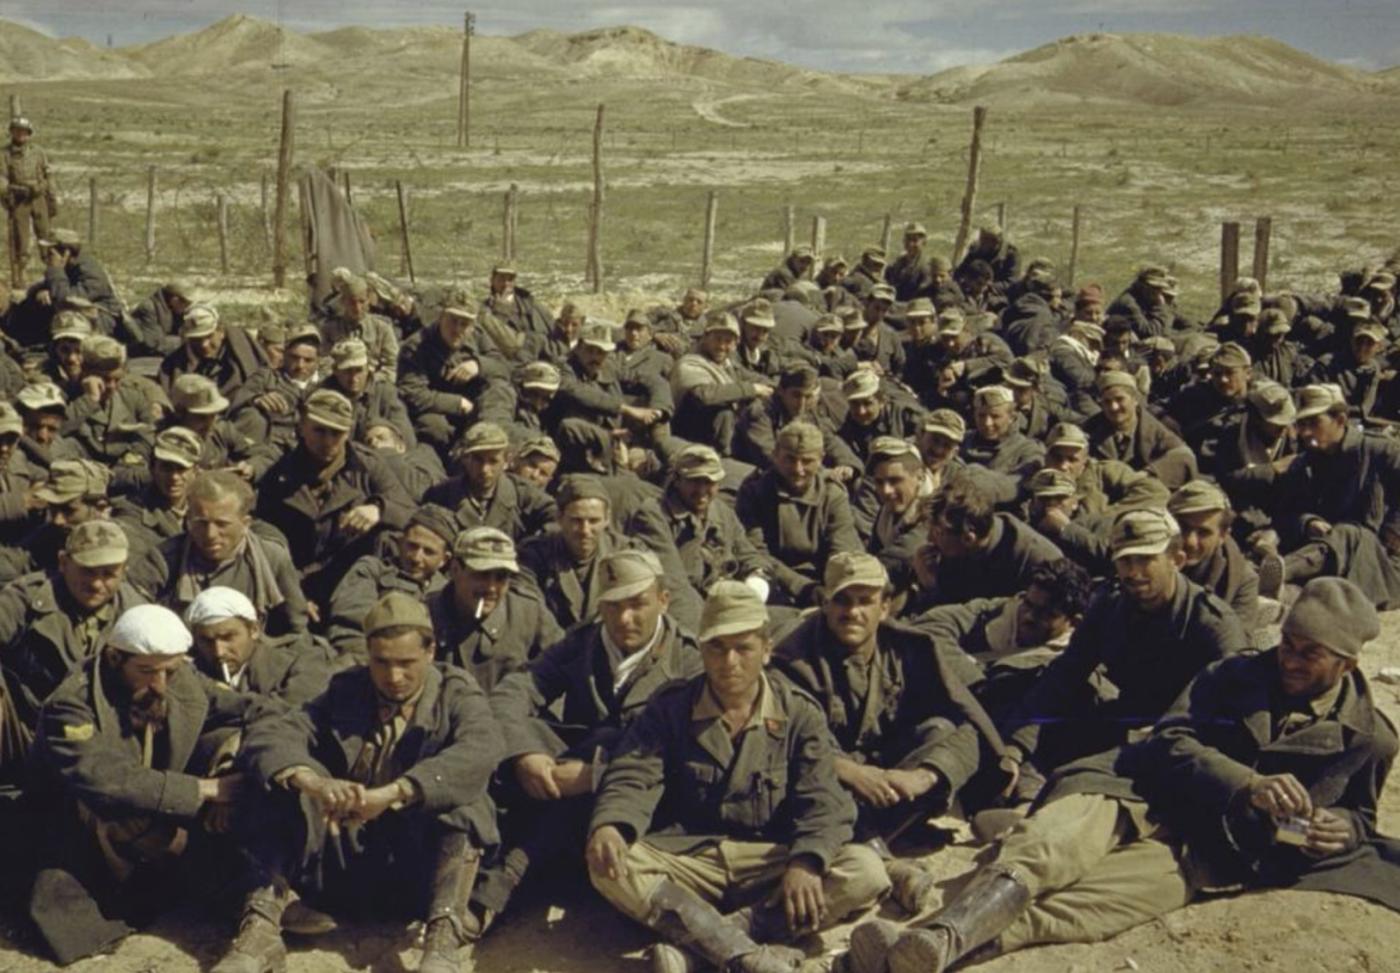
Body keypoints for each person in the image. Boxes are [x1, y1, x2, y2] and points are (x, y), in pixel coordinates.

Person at [849, 577, 1399, 973]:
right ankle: (944, 931)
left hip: (1206, 850)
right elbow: (1172, 739)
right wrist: (1246, 784)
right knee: (1048, 848)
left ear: (1346, 666)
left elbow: (1360, 815)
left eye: (1310, 655)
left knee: (1090, 906)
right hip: (1137, 788)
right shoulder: (1232, 676)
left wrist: (1343, 830)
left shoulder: (1371, 737)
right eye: (1288, 646)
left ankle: (931, 950)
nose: (1291, 662)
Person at [585, 581, 890, 973]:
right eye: (717, 647)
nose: (730, 661)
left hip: (768, 858)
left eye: (743, 648)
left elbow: (823, 799)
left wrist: (807, 860)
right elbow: (634, 775)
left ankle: (699, 952)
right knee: (609, 864)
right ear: (701, 649)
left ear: (766, 651)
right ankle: (749, 959)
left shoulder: (799, 713)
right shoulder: (671, 707)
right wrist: (611, 825)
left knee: (865, 871)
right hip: (692, 857)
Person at [216, 593, 503, 973]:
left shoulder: (456, 692)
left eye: (406, 663)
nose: (394, 677)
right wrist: (312, 781)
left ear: (431, 651)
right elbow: (275, 732)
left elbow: (483, 747)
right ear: (367, 653)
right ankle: (260, 932)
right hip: (343, 858)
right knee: (276, 784)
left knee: (467, 800)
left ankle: (442, 942)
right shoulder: (346, 688)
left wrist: (396, 792)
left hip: (417, 867)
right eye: (381, 662)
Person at [480, 549, 704, 930]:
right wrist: (526, 754)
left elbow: (683, 755)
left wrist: (596, 775)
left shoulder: (688, 660)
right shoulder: (584, 642)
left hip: (646, 797)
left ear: (663, 601)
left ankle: (504, 881)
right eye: (613, 606)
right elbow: (516, 690)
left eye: (638, 605)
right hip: (568, 781)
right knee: (518, 736)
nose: (624, 619)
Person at [27, 604, 254, 965]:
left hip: (156, 806)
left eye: (170, 670)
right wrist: (205, 790)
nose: (160, 684)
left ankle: (245, 892)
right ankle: (224, 892)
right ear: (116, 658)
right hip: (77, 828)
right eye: (146, 671)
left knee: (230, 739)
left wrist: (230, 764)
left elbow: (252, 709)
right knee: (119, 809)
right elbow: (104, 778)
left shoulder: (179, 678)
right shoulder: (71, 704)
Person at [1000, 509, 1247, 778]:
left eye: (1146, 559)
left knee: (1078, 777)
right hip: (1125, 722)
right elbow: (1065, 674)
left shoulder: (1213, 624)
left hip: (1183, 745)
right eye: (1125, 560)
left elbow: (1233, 714)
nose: (1133, 572)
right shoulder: (1110, 604)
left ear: (1176, 560)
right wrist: (1015, 746)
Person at [773, 554, 1004, 842]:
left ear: (884, 608)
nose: (853, 612)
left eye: (865, 601)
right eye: (842, 600)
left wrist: (923, 776)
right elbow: (789, 743)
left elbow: (968, 724)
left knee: (941, 730)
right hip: (825, 779)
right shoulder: (791, 659)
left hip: (887, 775)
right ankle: (871, 844)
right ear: (825, 604)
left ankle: (875, 835)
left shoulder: (910, 648)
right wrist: (852, 772)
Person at [0, 519, 146, 778]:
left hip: (103, 736)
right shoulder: (27, 598)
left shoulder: (140, 614)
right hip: (30, 729)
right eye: (88, 571)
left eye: (109, 573)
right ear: (63, 563)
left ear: (124, 570)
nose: (97, 584)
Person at [1245, 383, 1400, 607]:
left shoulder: (1380, 451)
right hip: (1327, 559)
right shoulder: (1304, 463)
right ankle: (1275, 592)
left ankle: (1269, 574)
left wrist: (1392, 535)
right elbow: (1286, 512)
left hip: (1380, 562)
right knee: (1316, 592)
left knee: (1349, 533)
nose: (1306, 433)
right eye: (1302, 424)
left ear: (1340, 420)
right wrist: (1308, 522)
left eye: (1315, 423)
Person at [255, 389, 414, 608]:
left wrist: (378, 508)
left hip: (350, 582)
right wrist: (294, 594)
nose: (328, 441)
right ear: (302, 427)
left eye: (336, 433)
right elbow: (265, 541)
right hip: (294, 584)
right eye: (319, 431)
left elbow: (409, 512)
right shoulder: (280, 475)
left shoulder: (367, 466)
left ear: (348, 432)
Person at [134, 470, 308, 637]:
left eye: (222, 524)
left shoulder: (271, 557)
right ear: (188, 521)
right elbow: (135, 617)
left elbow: (296, 630)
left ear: (245, 523)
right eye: (201, 523)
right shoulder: (164, 559)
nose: (210, 534)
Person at [734, 421, 862, 607]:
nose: (798, 470)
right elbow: (755, 552)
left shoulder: (832, 494)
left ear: (820, 459)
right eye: (790, 459)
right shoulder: (755, 491)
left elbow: (842, 549)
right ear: (776, 456)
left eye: (807, 461)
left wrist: (830, 587)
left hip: (824, 580)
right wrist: (803, 587)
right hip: (775, 577)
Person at [429, 525, 563, 692]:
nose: (491, 588)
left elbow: (564, 668)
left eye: (501, 577)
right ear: (455, 570)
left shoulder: (528, 612)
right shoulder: (425, 613)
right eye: (481, 575)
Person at [326, 503, 457, 661]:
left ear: (444, 559)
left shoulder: (449, 591)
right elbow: (350, 626)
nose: (416, 557)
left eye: (428, 552)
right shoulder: (371, 570)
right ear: (401, 542)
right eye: (412, 546)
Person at [185, 586, 332, 705]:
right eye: (207, 641)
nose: (219, 652)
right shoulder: (189, 677)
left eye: (227, 637)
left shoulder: (298, 666)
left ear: (254, 630)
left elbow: (292, 712)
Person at [672, 311, 773, 456]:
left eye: (728, 342)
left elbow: (751, 376)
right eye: (717, 339)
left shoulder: (725, 364)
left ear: (735, 344)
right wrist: (752, 389)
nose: (721, 346)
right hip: (692, 439)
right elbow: (704, 395)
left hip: (720, 435)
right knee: (723, 412)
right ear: (706, 338)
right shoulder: (690, 362)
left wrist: (778, 387)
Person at [1084, 370, 1197, 489]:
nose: (1114, 407)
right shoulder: (1091, 428)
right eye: (1107, 402)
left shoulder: (1155, 427)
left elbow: (1183, 454)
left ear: (1135, 400)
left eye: (1120, 399)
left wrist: (1145, 475)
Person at [158, 304, 268, 401]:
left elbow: (259, 377)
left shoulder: (240, 352)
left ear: (221, 332)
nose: (204, 344)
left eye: (209, 336)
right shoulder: (175, 364)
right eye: (197, 339)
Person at [317, 274, 399, 384]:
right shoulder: (329, 329)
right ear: (343, 302)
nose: (357, 308)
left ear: (369, 301)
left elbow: (392, 366)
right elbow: (323, 363)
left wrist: (369, 380)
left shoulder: (382, 329)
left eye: (362, 301)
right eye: (352, 302)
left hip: (375, 386)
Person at [4, 115, 54, 285]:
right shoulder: (5, 154)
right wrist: (14, 190)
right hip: (19, 201)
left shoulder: (38, 152)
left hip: (39, 198)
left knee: (46, 235)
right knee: (21, 240)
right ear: (12, 132)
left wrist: (44, 189)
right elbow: (2, 179)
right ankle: (20, 276)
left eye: (24, 131)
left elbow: (48, 175)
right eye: (17, 131)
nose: (21, 135)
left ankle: (52, 272)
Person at [884, 222, 931, 302]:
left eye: (915, 240)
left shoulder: (926, 267)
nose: (910, 244)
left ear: (924, 243)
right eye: (908, 239)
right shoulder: (897, 263)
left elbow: (923, 293)